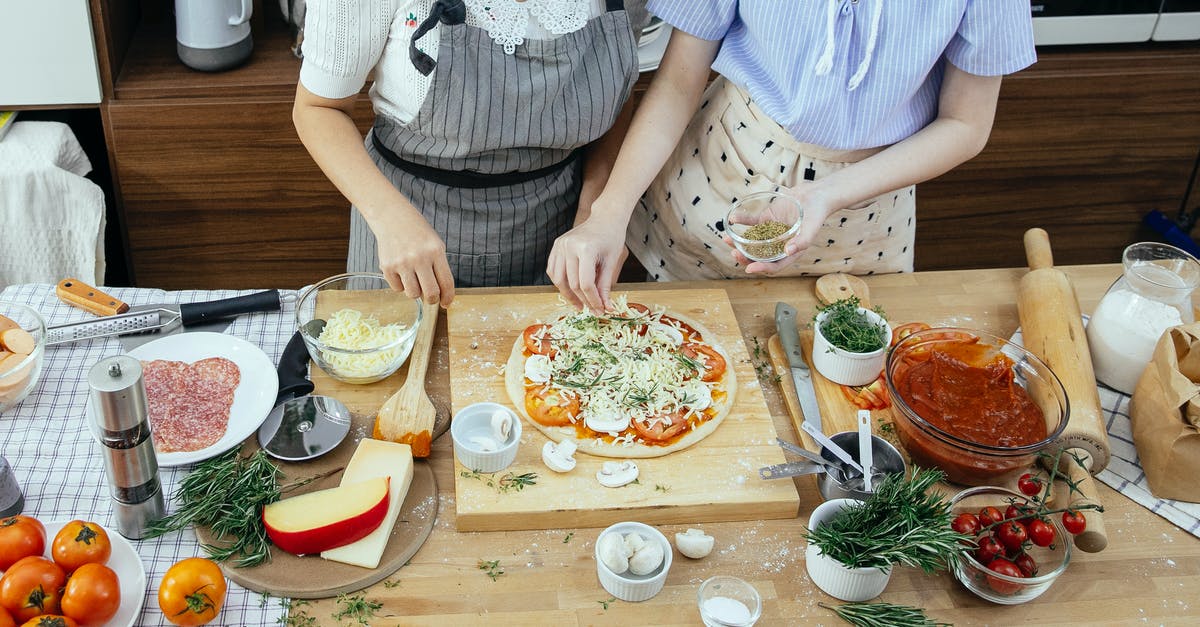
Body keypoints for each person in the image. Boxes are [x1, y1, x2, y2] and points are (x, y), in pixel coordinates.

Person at [548, 1, 1036, 312]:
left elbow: (966, 125)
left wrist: (825, 196)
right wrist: (608, 214)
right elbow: (678, 81)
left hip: (865, 205)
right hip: (717, 173)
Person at [294, 0, 650, 307]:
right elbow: (318, 109)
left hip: (559, 241)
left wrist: (594, 214)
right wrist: (390, 218)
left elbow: (616, 89)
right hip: (404, 232)